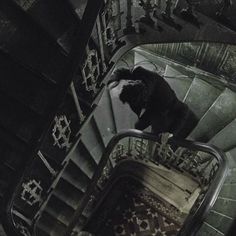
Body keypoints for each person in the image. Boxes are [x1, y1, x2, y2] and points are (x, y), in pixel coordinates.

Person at [109, 66, 199, 139]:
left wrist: (171, 133)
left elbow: (184, 109)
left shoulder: (165, 96)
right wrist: (114, 78)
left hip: (165, 113)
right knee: (138, 126)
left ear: (145, 101)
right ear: (131, 81)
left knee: (158, 136)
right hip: (153, 108)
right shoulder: (138, 72)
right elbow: (122, 71)